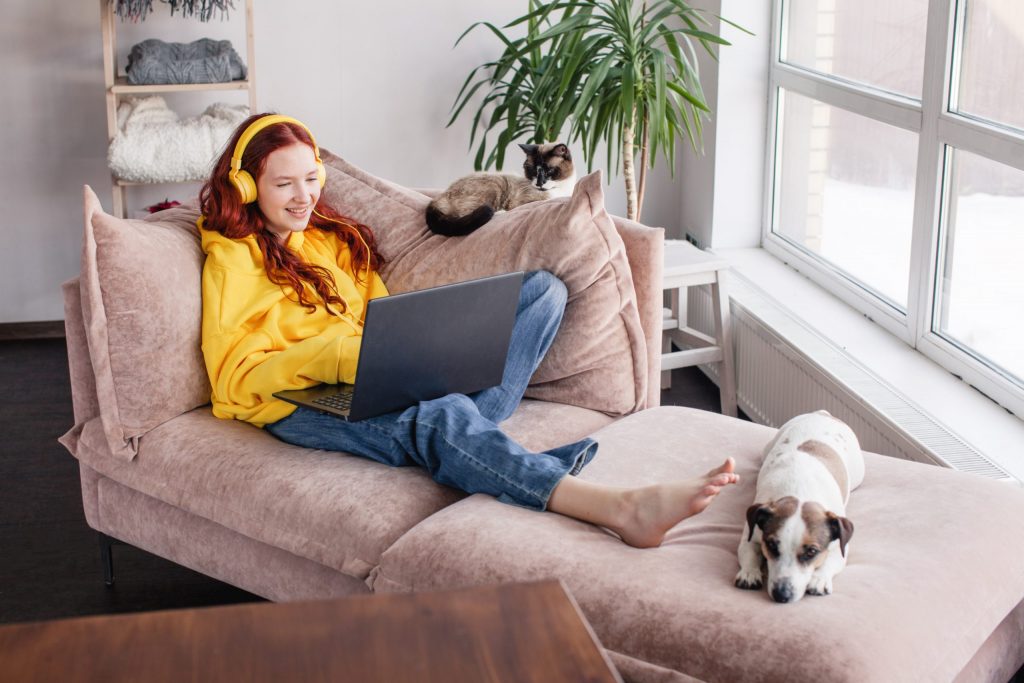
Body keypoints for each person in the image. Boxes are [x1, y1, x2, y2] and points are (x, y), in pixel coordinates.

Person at [198, 113, 739, 548]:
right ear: (246, 186)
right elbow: (235, 375)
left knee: (544, 291)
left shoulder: (327, 240)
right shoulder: (231, 259)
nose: (303, 196)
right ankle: (621, 508)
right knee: (441, 415)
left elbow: (378, 321)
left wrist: (419, 343)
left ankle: (473, 444)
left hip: (372, 371)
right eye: (284, 184)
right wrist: (347, 357)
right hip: (295, 403)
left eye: (311, 179)